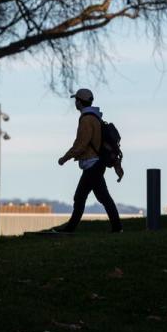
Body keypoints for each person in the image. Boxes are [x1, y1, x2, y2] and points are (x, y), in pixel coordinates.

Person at [55, 88, 123, 233]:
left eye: (76, 100)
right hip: (97, 164)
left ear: (79, 102)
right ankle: (117, 228)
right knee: (103, 197)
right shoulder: (95, 117)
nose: (75, 102)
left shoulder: (86, 120)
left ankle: (69, 229)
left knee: (80, 197)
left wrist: (65, 158)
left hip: (92, 164)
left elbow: (81, 144)